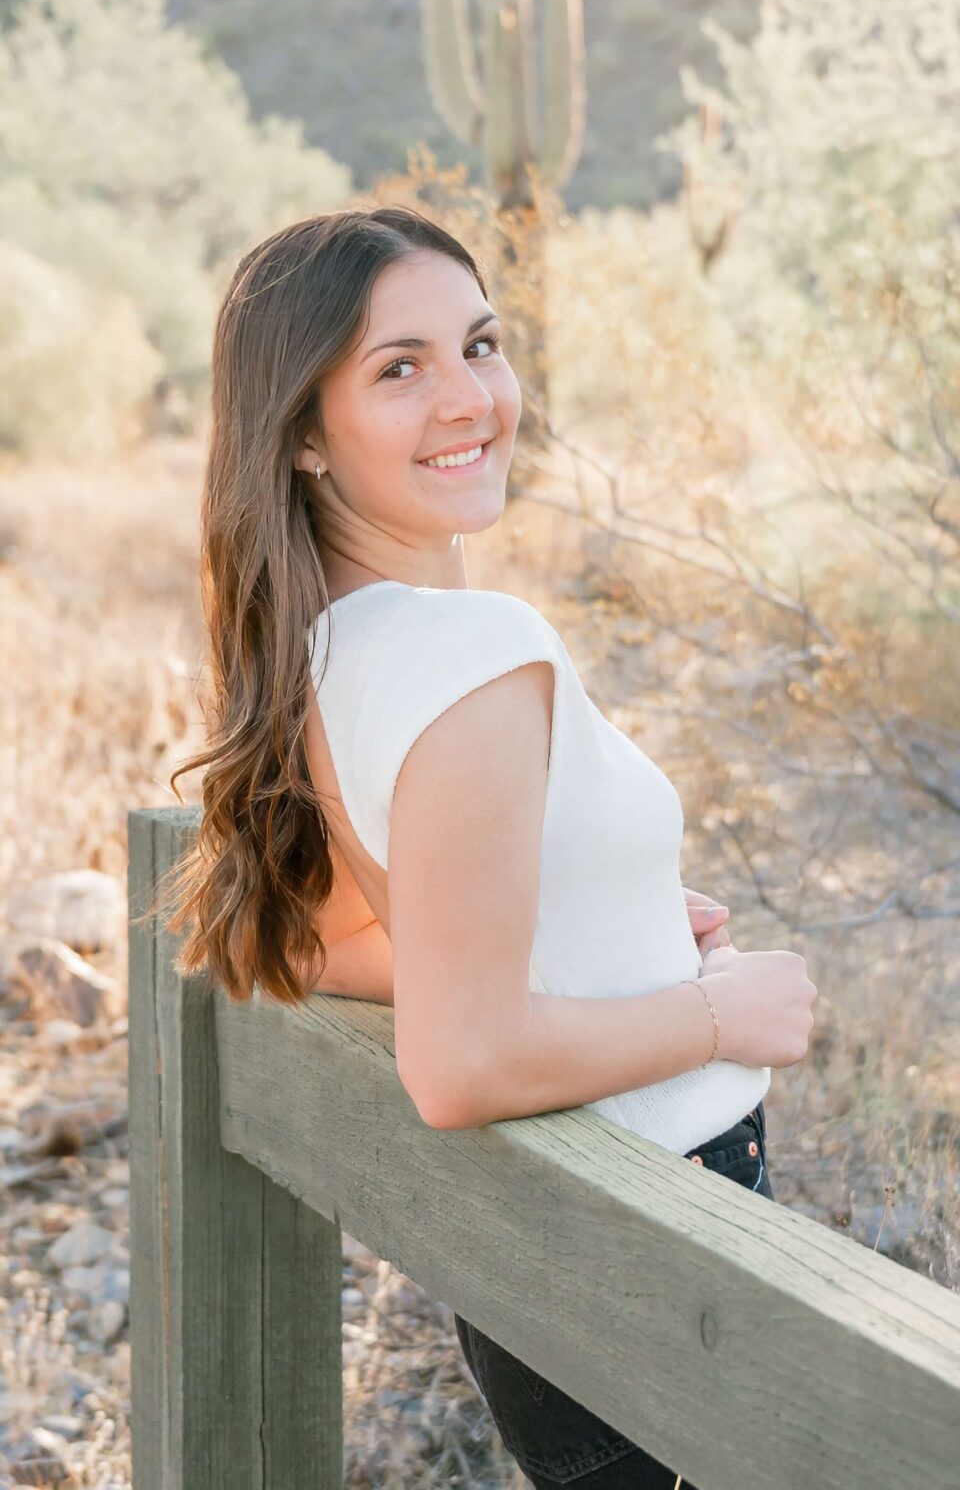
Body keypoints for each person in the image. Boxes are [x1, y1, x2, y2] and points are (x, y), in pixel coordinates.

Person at [157, 202, 819, 1489]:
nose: (470, 398)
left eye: (481, 343)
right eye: (398, 368)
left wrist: (596, 939)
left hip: (556, 1266)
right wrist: (717, 1011)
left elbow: (313, 938)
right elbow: (460, 1066)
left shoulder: (327, 651)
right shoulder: (472, 653)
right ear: (300, 431)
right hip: (647, 1241)